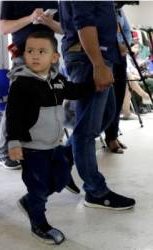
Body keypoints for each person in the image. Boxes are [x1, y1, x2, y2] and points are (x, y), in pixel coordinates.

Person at [6, 31, 96, 245]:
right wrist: (14, 142)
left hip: (54, 145)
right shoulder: (21, 84)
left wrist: (95, 83)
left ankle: (30, 201)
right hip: (32, 148)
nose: (35, 56)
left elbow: (74, 91)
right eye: (30, 51)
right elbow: (13, 116)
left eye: (41, 51)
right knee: (37, 188)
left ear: (54, 57)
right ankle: (39, 222)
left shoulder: (57, 80)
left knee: (62, 177)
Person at [59, 1, 135, 209]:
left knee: (107, 114)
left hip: (98, 54)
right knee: (87, 131)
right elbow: (84, 22)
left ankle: (62, 160)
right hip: (89, 58)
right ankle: (95, 191)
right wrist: (98, 64)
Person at [0, 1, 80, 195]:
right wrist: (30, 18)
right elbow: (4, 28)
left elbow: (64, 29)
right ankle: (6, 151)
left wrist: (48, 22)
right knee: (17, 105)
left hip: (50, 57)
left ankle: (55, 156)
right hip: (23, 56)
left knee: (53, 102)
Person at [104, 7, 132, 154]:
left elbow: (127, 29)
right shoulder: (99, 6)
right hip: (106, 55)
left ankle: (112, 135)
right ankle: (110, 137)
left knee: (119, 96)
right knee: (109, 99)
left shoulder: (119, 9)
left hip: (120, 55)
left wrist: (124, 47)